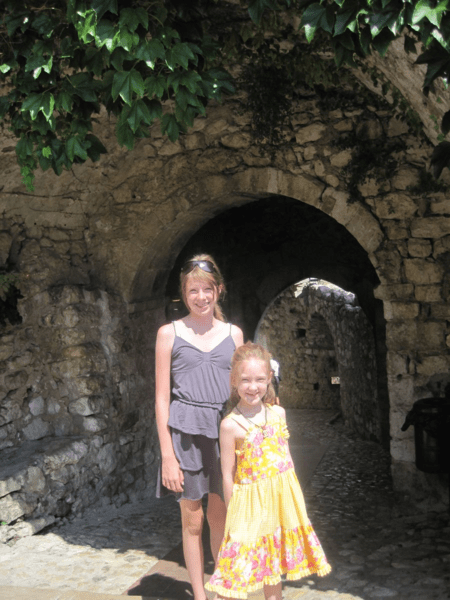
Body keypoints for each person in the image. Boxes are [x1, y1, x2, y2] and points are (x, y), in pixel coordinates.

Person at [205, 342, 331, 600]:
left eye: (259, 380)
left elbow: (286, 460)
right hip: (248, 506)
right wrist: (232, 510)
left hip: (280, 502)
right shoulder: (231, 425)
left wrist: (296, 502)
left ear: (269, 378)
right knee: (235, 570)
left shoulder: (278, 414)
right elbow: (227, 473)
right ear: (233, 380)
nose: (253, 387)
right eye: (245, 380)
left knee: (273, 567)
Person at [155, 254, 244, 600]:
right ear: (184, 293)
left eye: (207, 289)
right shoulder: (169, 334)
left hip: (222, 436)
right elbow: (162, 398)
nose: (201, 297)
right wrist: (167, 455)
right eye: (194, 290)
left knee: (220, 518)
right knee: (192, 520)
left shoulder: (234, 334)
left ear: (218, 290)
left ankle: (221, 588)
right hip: (185, 437)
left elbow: (242, 391)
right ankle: (200, 594)